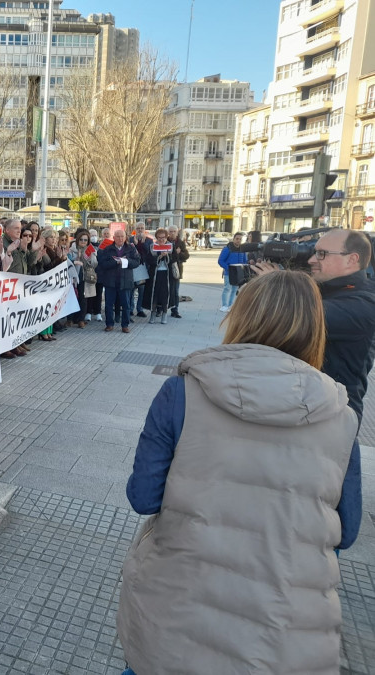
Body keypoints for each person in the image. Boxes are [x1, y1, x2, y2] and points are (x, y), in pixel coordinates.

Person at [118, 270, 361, 674]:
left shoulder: (182, 391)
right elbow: (346, 529)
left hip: (177, 611)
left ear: (242, 316)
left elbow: (143, 496)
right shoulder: (341, 415)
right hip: (287, 629)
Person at [252, 228, 375, 420]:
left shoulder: (365, 304)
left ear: (352, 259)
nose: (311, 260)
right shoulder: (322, 287)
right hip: (304, 405)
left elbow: (298, 317)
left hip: (333, 416)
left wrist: (275, 287)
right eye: (314, 252)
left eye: (321, 254)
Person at [97, 230, 140, 333]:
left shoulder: (131, 248)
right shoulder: (108, 249)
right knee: (108, 304)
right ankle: (109, 324)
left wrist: (126, 261)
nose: (120, 239)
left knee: (126, 305)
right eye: (118, 236)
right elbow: (103, 263)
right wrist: (115, 262)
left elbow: (137, 262)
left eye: (122, 236)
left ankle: (125, 325)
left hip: (125, 281)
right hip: (110, 281)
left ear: (125, 237)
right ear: (114, 237)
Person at [144, 228, 176, 324]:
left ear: (166, 237)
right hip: (155, 274)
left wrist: (167, 256)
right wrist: (159, 256)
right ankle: (153, 314)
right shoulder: (152, 246)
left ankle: (164, 314)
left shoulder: (171, 246)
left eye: (163, 237)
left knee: (165, 294)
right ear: (156, 238)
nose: (161, 240)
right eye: (159, 238)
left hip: (167, 274)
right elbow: (149, 259)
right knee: (154, 294)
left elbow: (175, 259)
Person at [217, 231, 247, 312]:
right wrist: (229, 268)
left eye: (240, 239)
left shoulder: (242, 249)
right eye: (237, 239)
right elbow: (220, 261)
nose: (238, 241)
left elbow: (245, 261)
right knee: (227, 288)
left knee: (234, 289)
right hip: (228, 273)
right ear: (233, 239)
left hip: (238, 274)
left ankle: (230, 306)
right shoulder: (227, 249)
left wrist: (243, 269)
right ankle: (224, 305)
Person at [166, 225, 189, 318]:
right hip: (165, 270)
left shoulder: (181, 243)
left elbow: (186, 256)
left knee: (175, 291)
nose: (172, 233)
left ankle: (175, 310)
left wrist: (179, 253)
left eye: (174, 231)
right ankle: (160, 309)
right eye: (170, 231)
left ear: (177, 232)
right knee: (164, 290)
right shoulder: (164, 241)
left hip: (176, 270)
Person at [129, 223, 152, 318]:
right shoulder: (130, 239)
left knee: (141, 290)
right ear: (135, 229)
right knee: (131, 289)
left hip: (143, 267)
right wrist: (135, 244)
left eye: (142, 228)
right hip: (133, 268)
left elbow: (150, 254)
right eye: (138, 228)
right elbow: (128, 252)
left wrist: (142, 243)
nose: (140, 230)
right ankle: (130, 309)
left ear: (145, 229)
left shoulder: (149, 240)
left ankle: (140, 309)